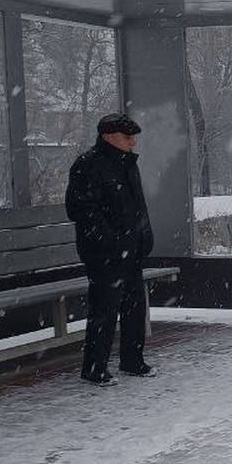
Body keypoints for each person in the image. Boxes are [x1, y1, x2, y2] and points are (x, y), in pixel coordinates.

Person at [65, 113, 156, 386]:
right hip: (104, 254)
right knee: (104, 310)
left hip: (130, 250)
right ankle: (94, 368)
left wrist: (143, 237)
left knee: (134, 307)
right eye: (127, 137)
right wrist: (110, 242)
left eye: (133, 137)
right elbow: (80, 209)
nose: (133, 142)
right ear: (108, 136)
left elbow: (137, 207)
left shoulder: (127, 165)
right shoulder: (88, 165)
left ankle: (132, 360)